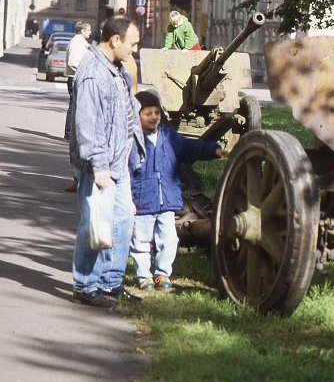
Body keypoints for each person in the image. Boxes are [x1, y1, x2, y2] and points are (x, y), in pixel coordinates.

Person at [69, 17, 145, 308]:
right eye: (132, 43)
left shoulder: (113, 67)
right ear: (115, 40)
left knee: (123, 220)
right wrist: (99, 164)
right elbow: (88, 123)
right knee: (95, 224)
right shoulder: (92, 71)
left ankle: (111, 281)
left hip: (119, 160)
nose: (134, 50)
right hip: (101, 163)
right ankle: (86, 284)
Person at [129, 91, 226, 291]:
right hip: (142, 200)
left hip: (167, 200)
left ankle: (162, 273)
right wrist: (128, 199)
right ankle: (143, 275)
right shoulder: (131, 141)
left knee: (169, 239)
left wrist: (213, 150)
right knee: (141, 240)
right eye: (147, 113)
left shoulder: (168, 136)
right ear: (136, 115)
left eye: (156, 112)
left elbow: (189, 147)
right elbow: (126, 173)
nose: (154, 117)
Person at [63, 21, 92, 192]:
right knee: (75, 108)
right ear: (82, 30)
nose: (90, 31)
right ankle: (69, 132)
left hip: (77, 77)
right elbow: (75, 62)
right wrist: (84, 70)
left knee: (74, 107)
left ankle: (69, 131)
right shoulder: (76, 43)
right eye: (88, 29)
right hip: (76, 77)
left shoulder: (80, 42)